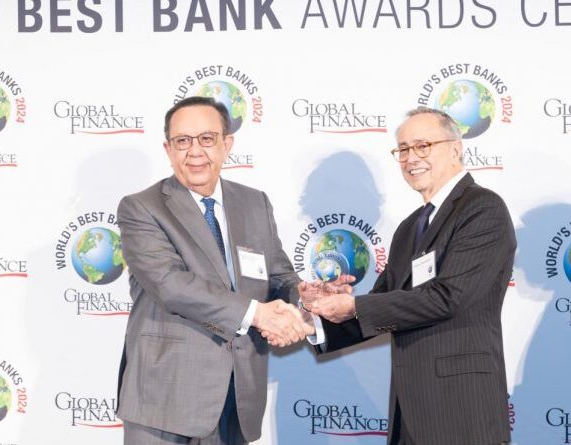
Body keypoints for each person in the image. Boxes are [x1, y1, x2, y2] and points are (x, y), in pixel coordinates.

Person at [305, 107, 516, 445]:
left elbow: (448, 298)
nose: (410, 158)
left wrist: (354, 306)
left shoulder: (482, 209)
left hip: (462, 411)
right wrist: (319, 317)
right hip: (409, 413)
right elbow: (383, 303)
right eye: (403, 149)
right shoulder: (409, 227)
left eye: (423, 146)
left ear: (455, 149)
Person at [116, 96, 317, 445]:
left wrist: (303, 296)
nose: (195, 151)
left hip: (238, 396)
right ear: (168, 149)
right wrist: (259, 314)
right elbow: (171, 285)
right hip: (165, 399)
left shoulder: (254, 202)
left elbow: (277, 275)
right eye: (183, 141)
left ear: (227, 144)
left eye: (207, 139)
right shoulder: (142, 208)